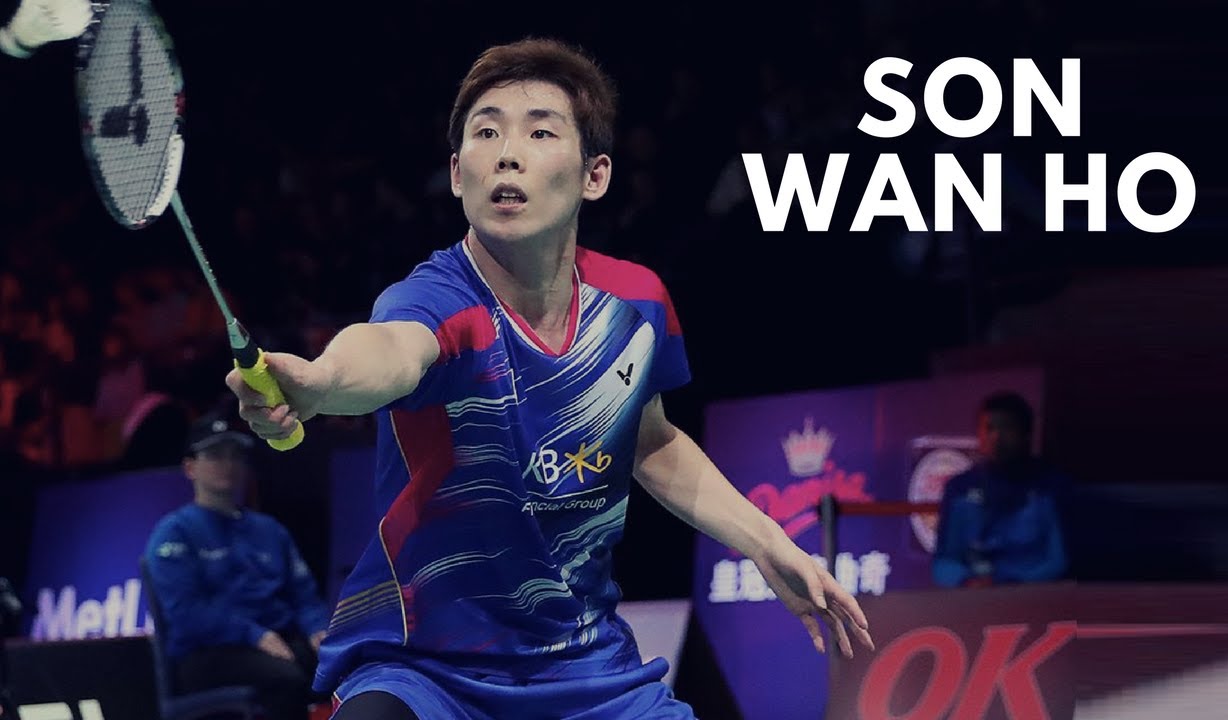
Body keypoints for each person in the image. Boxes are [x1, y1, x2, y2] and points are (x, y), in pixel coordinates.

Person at [226, 37, 873, 720]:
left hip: (586, 668)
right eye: (486, 133)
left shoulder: (636, 305)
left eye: (540, 132)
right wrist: (320, 382)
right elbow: (388, 350)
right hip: (428, 671)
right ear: (457, 174)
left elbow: (649, 439)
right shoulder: (438, 301)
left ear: (595, 175)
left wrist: (769, 544)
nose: (508, 153)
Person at [143, 408, 332, 720]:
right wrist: (253, 635)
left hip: (279, 639)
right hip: (208, 653)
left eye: (235, 456)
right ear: (190, 467)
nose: (227, 464)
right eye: (215, 455)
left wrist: (318, 629)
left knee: (345, 665)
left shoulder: (270, 530)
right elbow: (188, 612)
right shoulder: (175, 533)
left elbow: (304, 596)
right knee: (285, 678)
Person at [932, 391, 1070, 588]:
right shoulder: (959, 488)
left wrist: (1011, 584)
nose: (996, 437)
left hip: (1034, 596)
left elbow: (1059, 560)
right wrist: (968, 582)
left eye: (1007, 428)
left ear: (1027, 434)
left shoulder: (1051, 486)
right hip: (975, 597)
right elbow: (943, 562)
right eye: (989, 428)